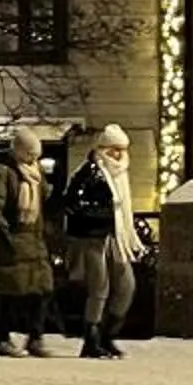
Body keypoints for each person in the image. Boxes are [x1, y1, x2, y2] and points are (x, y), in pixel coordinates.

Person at [60, 124, 145, 359]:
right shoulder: (89, 173)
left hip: (116, 236)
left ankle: (107, 335)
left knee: (126, 285)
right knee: (99, 288)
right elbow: (72, 204)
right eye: (113, 149)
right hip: (93, 238)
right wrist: (102, 213)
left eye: (121, 149)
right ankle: (91, 338)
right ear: (102, 149)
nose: (118, 154)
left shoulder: (120, 175)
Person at [0, 121, 54, 357]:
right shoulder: (3, 171)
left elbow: (43, 199)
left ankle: (35, 336)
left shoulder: (36, 172)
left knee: (43, 289)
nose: (32, 159)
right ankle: (2, 338)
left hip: (33, 238)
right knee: (8, 292)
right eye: (29, 155)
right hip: (11, 239)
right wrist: (4, 236)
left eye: (35, 156)